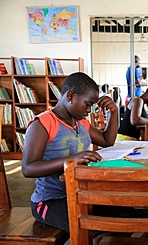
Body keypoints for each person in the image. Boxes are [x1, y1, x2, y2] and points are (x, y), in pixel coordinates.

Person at [21, 72, 131, 243]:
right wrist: (72, 160)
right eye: (87, 105)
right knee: (90, 226)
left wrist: (114, 111)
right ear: (70, 96)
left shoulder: (81, 122)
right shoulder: (42, 124)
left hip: (81, 194)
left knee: (127, 215)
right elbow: (28, 168)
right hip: (50, 200)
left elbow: (107, 141)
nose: (89, 110)